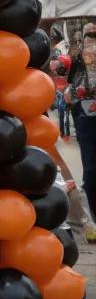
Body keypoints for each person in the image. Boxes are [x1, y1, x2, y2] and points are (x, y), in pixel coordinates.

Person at [64, 29, 96, 217]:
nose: (91, 51)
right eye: (88, 46)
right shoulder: (76, 62)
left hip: (85, 114)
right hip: (85, 116)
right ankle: (92, 206)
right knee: (91, 165)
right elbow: (67, 81)